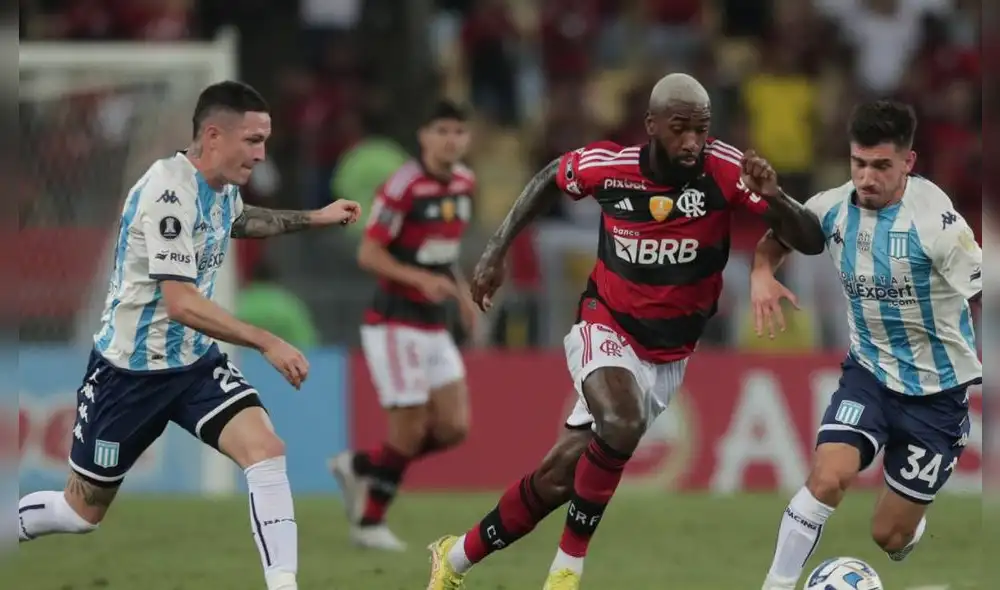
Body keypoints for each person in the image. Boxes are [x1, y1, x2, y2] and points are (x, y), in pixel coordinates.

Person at [425, 72, 827, 590]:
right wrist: (495, 250)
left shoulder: (727, 170)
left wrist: (775, 198)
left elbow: (811, 239)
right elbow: (552, 174)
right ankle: (566, 571)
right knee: (621, 421)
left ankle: (453, 558)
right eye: (679, 128)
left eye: (701, 130)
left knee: (557, 479)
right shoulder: (611, 169)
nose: (691, 142)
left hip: (670, 355)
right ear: (652, 125)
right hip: (606, 324)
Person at [16, 81, 362, 590]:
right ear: (215, 136)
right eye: (253, 140)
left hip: (193, 366)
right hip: (128, 375)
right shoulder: (167, 193)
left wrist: (317, 217)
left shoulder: (221, 189)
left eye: (265, 140)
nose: (261, 153)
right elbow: (181, 304)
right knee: (79, 514)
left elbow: (240, 222)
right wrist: (265, 340)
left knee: (265, 449)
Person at [754, 100, 982, 590]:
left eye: (881, 166)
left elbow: (981, 282)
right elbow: (784, 235)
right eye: (859, 163)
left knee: (890, 536)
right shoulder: (832, 208)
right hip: (870, 377)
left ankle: (908, 530)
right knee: (827, 479)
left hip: (937, 398)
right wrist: (760, 273)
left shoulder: (937, 224)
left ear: (907, 163)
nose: (866, 177)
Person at [330, 100, 479, 551]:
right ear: (424, 135)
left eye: (458, 131)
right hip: (393, 322)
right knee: (409, 429)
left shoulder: (465, 184)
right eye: (442, 130)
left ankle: (360, 466)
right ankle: (369, 523)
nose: (451, 139)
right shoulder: (402, 187)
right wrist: (421, 280)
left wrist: (463, 293)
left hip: (434, 324)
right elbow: (369, 254)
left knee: (454, 427)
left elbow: (442, 251)